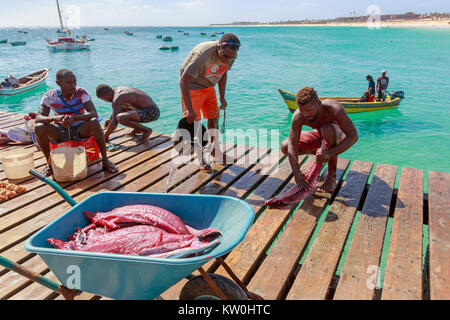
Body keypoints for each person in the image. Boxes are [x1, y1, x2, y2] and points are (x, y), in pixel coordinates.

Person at [35, 69, 118, 176]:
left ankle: (105, 161)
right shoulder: (49, 96)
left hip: (80, 130)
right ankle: (50, 164)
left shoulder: (81, 93)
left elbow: (94, 113)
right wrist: (56, 119)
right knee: (39, 127)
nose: (73, 86)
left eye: (75, 82)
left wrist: (74, 119)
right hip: (60, 131)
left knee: (94, 122)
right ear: (58, 83)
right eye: (69, 83)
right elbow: (39, 118)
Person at [281, 87, 358, 193]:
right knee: (285, 146)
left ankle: (331, 175)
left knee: (326, 129)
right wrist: (296, 172)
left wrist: (330, 154)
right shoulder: (298, 116)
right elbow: (292, 144)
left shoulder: (333, 109)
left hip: (338, 135)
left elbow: (353, 136)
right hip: (321, 135)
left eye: (309, 110)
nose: (306, 114)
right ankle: (319, 153)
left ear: (318, 103)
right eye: (302, 110)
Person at [179, 33, 240, 166]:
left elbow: (223, 73)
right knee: (194, 123)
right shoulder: (203, 55)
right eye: (225, 56)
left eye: (230, 58)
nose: (227, 60)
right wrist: (189, 109)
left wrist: (222, 96)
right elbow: (183, 80)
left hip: (208, 84)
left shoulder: (231, 55)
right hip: (191, 85)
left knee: (214, 118)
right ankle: (201, 159)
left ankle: (215, 152)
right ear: (219, 47)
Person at [96, 85, 160, 143]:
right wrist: (110, 120)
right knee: (122, 109)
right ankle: (138, 129)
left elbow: (115, 120)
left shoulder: (117, 98)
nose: (105, 101)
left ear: (107, 94)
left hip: (151, 113)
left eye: (104, 98)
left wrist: (106, 136)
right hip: (152, 109)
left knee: (120, 118)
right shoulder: (118, 90)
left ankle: (146, 131)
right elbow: (117, 110)